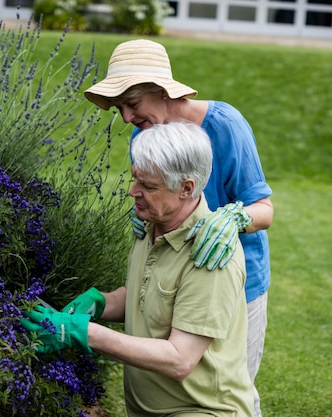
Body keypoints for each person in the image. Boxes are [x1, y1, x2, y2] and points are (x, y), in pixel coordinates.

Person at [82, 39, 274, 417]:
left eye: (132, 104)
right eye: (120, 107)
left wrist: (231, 218)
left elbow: (264, 208)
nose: (125, 118)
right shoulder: (144, 134)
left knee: (224, 380)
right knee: (172, 378)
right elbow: (156, 191)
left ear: (162, 89)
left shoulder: (225, 126)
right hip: (172, 256)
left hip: (231, 272)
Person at [22, 121, 254, 417]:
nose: (133, 192)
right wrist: (102, 301)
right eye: (135, 179)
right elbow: (150, 298)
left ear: (186, 188)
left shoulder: (210, 256)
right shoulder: (151, 226)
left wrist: (85, 333)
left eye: (148, 185)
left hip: (202, 410)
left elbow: (179, 359)